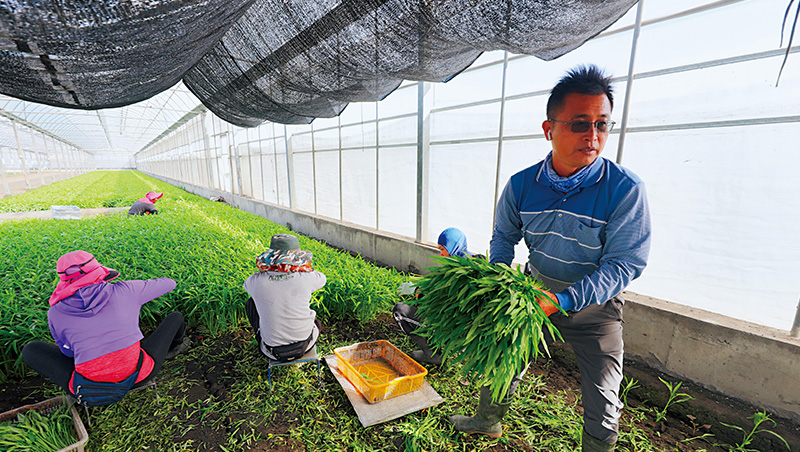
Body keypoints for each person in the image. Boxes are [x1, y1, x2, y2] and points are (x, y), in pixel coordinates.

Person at [448, 65, 651, 451]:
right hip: (530, 296)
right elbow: (504, 237)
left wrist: (564, 300)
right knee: (502, 362)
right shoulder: (522, 185)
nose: (592, 137)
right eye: (579, 124)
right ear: (549, 129)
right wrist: (497, 279)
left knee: (604, 395)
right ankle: (487, 422)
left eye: (602, 125)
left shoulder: (624, 190)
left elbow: (625, 263)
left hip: (595, 309)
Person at [22, 250, 189, 406]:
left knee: (31, 349)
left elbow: (68, 353)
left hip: (90, 390)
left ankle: (83, 389)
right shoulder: (126, 290)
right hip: (138, 375)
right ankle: (177, 348)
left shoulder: (55, 313)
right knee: (176, 317)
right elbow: (170, 283)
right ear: (98, 272)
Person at [393, 227, 478, 366]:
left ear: (454, 246)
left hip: (455, 328)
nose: (441, 254)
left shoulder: (461, 272)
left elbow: (446, 298)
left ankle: (432, 354)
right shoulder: (469, 263)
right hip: (462, 328)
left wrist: (418, 290)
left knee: (400, 311)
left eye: (443, 249)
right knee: (417, 304)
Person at [244, 234, 326, 362]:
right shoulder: (306, 278)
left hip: (272, 351)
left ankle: (265, 336)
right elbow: (322, 278)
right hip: (305, 345)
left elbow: (246, 285)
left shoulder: (256, 281)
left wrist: (267, 269)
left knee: (251, 303)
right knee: (315, 319)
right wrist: (300, 268)